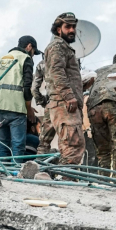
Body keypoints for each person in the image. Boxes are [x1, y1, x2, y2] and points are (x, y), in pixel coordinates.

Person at [43, 13, 85, 165]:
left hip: (65, 103)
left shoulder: (64, 48)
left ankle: (65, 179)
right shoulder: (58, 46)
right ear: (58, 29)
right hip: (64, 103)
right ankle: (66, 180)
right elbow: (57, 72)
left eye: (73, 27)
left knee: (71, 145)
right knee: (72, 146)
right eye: (67, 27)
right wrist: (69, 96)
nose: (72, 30)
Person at [0, 36, 39, 160]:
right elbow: (28, 87)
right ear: (29, 46)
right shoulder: (25, 58)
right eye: (33, 51)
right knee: (17, 146)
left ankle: (2, 174)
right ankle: (15, 174)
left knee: (3, 146)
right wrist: (29, 108)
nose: (33, 55)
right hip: (16, 109)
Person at [87, 52, 116, 173]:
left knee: (102, 150)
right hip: (114, 105)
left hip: (94, 108)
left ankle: (103, 179)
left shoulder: (100, 70)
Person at [31, 61, 55, 151]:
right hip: (68, 106)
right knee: (68, 144)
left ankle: (40, 163)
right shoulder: (70, 58)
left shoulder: (42, 64)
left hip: (51, 104)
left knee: (43, 144)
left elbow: (34, 89)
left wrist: (43, 102)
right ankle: (67, 165)